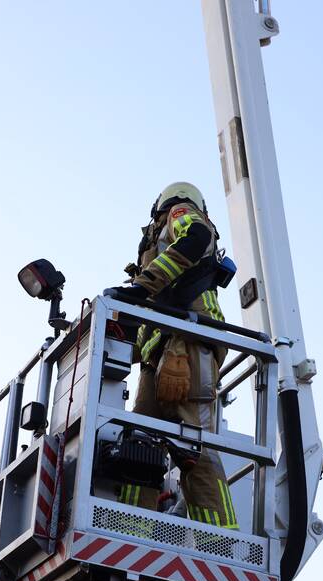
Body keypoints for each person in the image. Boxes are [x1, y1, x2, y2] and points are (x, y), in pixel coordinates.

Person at [109, 182, 239, 531]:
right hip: (158, 357)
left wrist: (141, 286)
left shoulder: (181, 216)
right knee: (140, 444)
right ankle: (132, 530)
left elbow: (195, 238)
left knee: (195, 447)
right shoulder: (155, 246)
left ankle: (220, 538)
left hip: (191, 343)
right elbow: (149, 323)